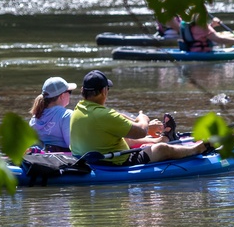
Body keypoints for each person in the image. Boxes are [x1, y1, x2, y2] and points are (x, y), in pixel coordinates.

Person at [69, 70, 207, 164]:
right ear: (104, 91)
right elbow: (141, 130)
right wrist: (143, 118)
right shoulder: (104, 115)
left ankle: (163, 138)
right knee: (161, 149)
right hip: (115, 162)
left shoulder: (78, 109)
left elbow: (112, 118)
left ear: (82, 91)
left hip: (89, 157)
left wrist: (132, 120)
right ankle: (197, 149)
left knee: (124, 136)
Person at [29, 76, 77, 152]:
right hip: (61, 162)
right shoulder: (67, 115)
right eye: (69, 92)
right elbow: (74, 148)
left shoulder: (34, 118)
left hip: (40, 160)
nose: (70, 95)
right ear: (62, 96)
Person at [157, 15, 234, 51]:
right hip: (203, 52)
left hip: (191, 50)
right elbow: (220, 40)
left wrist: (212, 25)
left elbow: (199, 34)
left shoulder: (188, 24)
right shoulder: (202, 26)